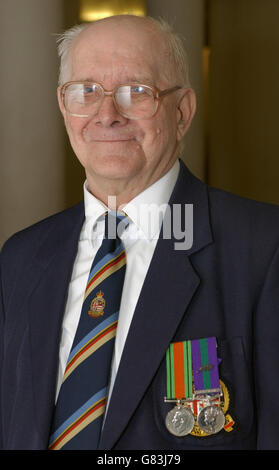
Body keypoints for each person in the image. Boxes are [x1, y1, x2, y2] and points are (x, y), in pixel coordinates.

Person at [1, 14, 279, 451]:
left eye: (137, 92)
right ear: (63, 105)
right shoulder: (19, 258)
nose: (107, 115)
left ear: (183, 111)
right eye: (86, 91)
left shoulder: (265, 249)